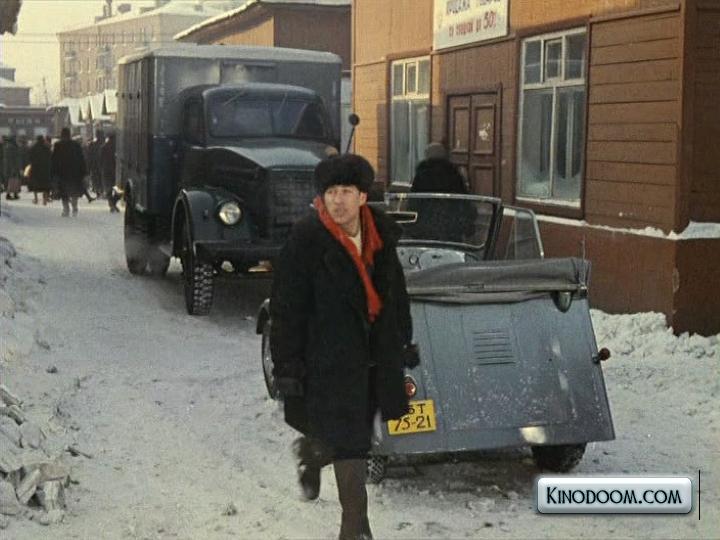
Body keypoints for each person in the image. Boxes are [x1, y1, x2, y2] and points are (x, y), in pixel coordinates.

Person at [270, 153, 419, 540]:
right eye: (331, 192)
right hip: (327, 361)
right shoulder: (307, 240)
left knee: (354, 440)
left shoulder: (380, 237)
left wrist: (403, 340)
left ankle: (313, 452)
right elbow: (286, 308)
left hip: (373, 358)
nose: (337, 200)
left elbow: (396, 295)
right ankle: (354, 531)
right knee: (352, 444)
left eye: (346, 192)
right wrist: (287, 367)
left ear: (362, 197)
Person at [409, 142, 476, 243]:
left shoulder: (422, 174)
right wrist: (467, 224)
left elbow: (414, 202)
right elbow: (463, 200)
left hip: (425, 227)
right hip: (451, 227)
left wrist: (411, 225)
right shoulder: (453, 174)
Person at [51, 128, 87, 217]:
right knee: (74, 191)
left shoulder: (58, 145)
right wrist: (84, 172)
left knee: (63, 192)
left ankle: (66, 209)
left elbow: (54, 160)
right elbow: (81, 159)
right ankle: (74, 207)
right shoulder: (76, 145)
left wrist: (53, 172)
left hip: (62, 172)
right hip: (75, 172)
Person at [28, 135, 52, 205]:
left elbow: (30, 157)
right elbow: (50, 157)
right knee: (45, 185)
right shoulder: (46, 147)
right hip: (45, 168)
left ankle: (36, 199)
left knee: (35, 184)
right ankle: (45, 200)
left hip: (35, 168)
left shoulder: (33, 148)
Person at [100, 133, 119, 212]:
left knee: (108, 188)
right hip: (116, 170)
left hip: (106, 170)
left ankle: (111, 204)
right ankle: (113, 203)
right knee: (118, 188)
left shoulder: (103, 147)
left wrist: (101, 168)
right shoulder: (117, 147)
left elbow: (100, 160)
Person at [3, 136, 21, 200]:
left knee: (14, 180)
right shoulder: (12, 147)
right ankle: (9, 194)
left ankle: (15, 194)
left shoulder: (9, 146)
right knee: (12, 181)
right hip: (13, 167)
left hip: (12, 166)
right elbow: (12, 158)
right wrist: (13, 168)